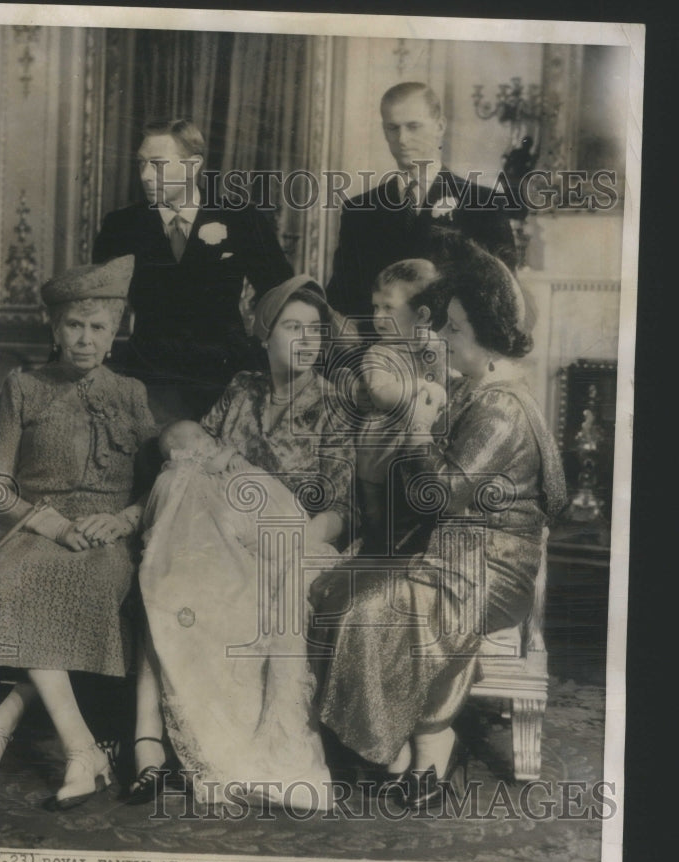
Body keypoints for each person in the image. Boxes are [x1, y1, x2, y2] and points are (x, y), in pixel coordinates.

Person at [311, 247, 566, 810]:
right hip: (455, 551)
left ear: (487, 332)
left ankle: (422, 750)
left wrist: (422, 427)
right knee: (338, 590)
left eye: (454, 328)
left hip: (490, 567)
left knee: (379, 606)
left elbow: (441, 492)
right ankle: (403, 753)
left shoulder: (501, 406)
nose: (443, 338)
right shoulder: (480, 389)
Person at [129, 275, 355, 811]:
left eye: (315, 331)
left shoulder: (335, 406)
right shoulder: (241, 389)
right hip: (220, 533)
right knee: (177, 569)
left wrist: (286, 541)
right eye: (292, 327)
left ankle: (238, 752)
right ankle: (150, 745)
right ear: (264, 333)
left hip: (294, 538)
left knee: (220, 578)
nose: (306, 340)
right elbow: (193, 460)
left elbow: (340, 510)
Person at [0, 255, 159, 809]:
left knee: (91, 586)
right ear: (55, 328)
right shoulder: (22, 388)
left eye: (98, 327)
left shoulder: (132, 395)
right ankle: (82, 749)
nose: (85, 339)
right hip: (32, 531)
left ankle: (3, 719)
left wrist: (123, 520)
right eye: (74, 325)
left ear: (116, 332)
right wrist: (50, 522)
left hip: (105, 541)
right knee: (23, 575)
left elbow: (161, 487)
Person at [93, 118, 293, 428]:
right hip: (149, 379)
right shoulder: (121, 226)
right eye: (141, 164)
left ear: (193, 165)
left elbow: (284, 296)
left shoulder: (242, 219)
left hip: (225, 379)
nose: (145, 175)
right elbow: (97, 304)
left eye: (157, 164)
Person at [326, 82, 517, 336]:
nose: (402, 139)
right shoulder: (359, 211)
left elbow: (502, 298)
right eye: (392, 128)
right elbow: (342, 298)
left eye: (413, 126)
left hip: (453, 359)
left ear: (439, 126)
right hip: (379, 359)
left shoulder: (484, 204)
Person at [354, 258, 447, 550]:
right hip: (377, 456)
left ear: (421, 316)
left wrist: (442, 383)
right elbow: (381, 393)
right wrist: (421, 386)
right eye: (375, 307)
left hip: (416, 455)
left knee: (414, 525)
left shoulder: (436, 347)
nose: (378, 317)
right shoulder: (377, 354)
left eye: (388, 308)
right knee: (376, 524)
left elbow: (448, 387)